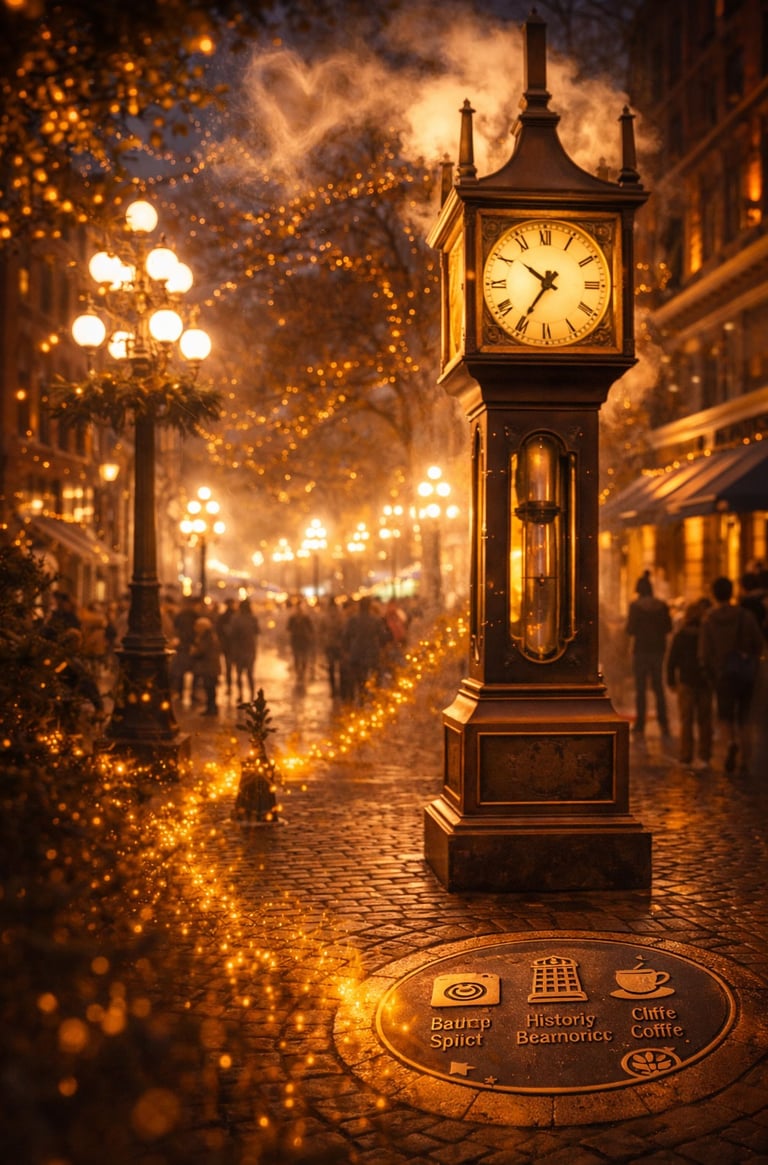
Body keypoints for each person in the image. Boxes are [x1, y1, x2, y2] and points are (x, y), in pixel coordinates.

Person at [699, 575, 763, 777]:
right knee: (744, 717)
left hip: (722, 674)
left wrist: (710, 673)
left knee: (725, 716)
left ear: (714, 594)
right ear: (731, 592)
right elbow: (759, 643)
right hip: (745, 673)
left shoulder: (709, 619)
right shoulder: (745, 616)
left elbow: (704, 652)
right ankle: (745, 760)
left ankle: (730, 743)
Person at [666, 599, 713, 771]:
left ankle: (686, 756)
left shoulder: (681, 635)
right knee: (705, 720)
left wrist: (671, 681)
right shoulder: (706, 635)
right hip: (704, 681)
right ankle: (704, 756)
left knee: (686, 721)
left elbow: (672, 660)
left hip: (686, 681)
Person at [625, 571, 673, 741]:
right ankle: (664, 723)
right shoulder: (662, 606)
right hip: (658, 650)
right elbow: (668, 628)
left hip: (641, 650)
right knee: (658, 687)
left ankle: (640, 725)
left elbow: (630, 629)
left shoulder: (635, 607)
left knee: (641, 689)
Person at [341, 597, 387, 704]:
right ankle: (374, 698)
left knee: (359, 679)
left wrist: (346, 651)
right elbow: (383, 636)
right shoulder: (376, 620)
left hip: (357, 653)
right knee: (375, 676)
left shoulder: (352, 620)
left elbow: (346, 636)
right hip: (372, 653)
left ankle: (361, 697)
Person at [230, 597, 260, 703]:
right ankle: (252, 695)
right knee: (250, 674)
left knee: (239, 674)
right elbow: (257, 632)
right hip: (250, 649)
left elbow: (232, 634)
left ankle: (240, 694)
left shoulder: (236, 619)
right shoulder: (253, 619)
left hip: (239, 649)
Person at [190, 616, 221, 717]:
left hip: (209, 667)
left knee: (210, 688)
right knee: (210, 688)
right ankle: (211, 707)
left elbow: (201, 651)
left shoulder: (206, 637)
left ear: (202, 627)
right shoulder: (210, 636)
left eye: (197, 626)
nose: (195, 628)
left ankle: (211, 708)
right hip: (210, 667)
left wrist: (194, 650)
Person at [317, 595, 345, 697]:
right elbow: (343, 630)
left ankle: (333, 690)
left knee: (331, 668)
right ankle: (340, 689)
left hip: (330, 645)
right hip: (338, 645)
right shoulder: (340, 616)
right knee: (340, 668)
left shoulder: (325, 617)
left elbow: (320, 631)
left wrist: (322, 642)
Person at [286, 598, 315, 688]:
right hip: (297, 639)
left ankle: (301, 671)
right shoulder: (294, 618)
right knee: (298, 656)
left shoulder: (304, 618)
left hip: (301, 639)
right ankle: (299, 672)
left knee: (302, 656)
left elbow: (311, 628)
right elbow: (288, 628)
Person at [215, 597, 238, 699]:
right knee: (235, 668)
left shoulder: (223, 617)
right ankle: (234, 688)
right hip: (232, 646)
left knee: (229, 668)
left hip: (227, 646)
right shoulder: (235, 616)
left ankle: (230, 687)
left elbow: (218, 630)